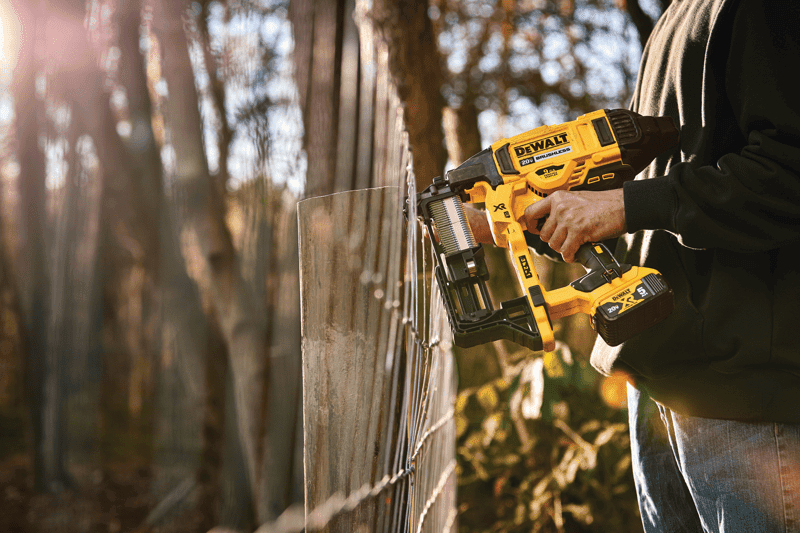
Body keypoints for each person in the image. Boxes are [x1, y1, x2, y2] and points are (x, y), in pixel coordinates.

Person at [474, 0, 800, 531]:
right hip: (658, 382)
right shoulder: (677, 14)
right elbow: (665, 185)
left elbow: (787, 170)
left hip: (749, 405)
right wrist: (515, 216)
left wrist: (621, 206)